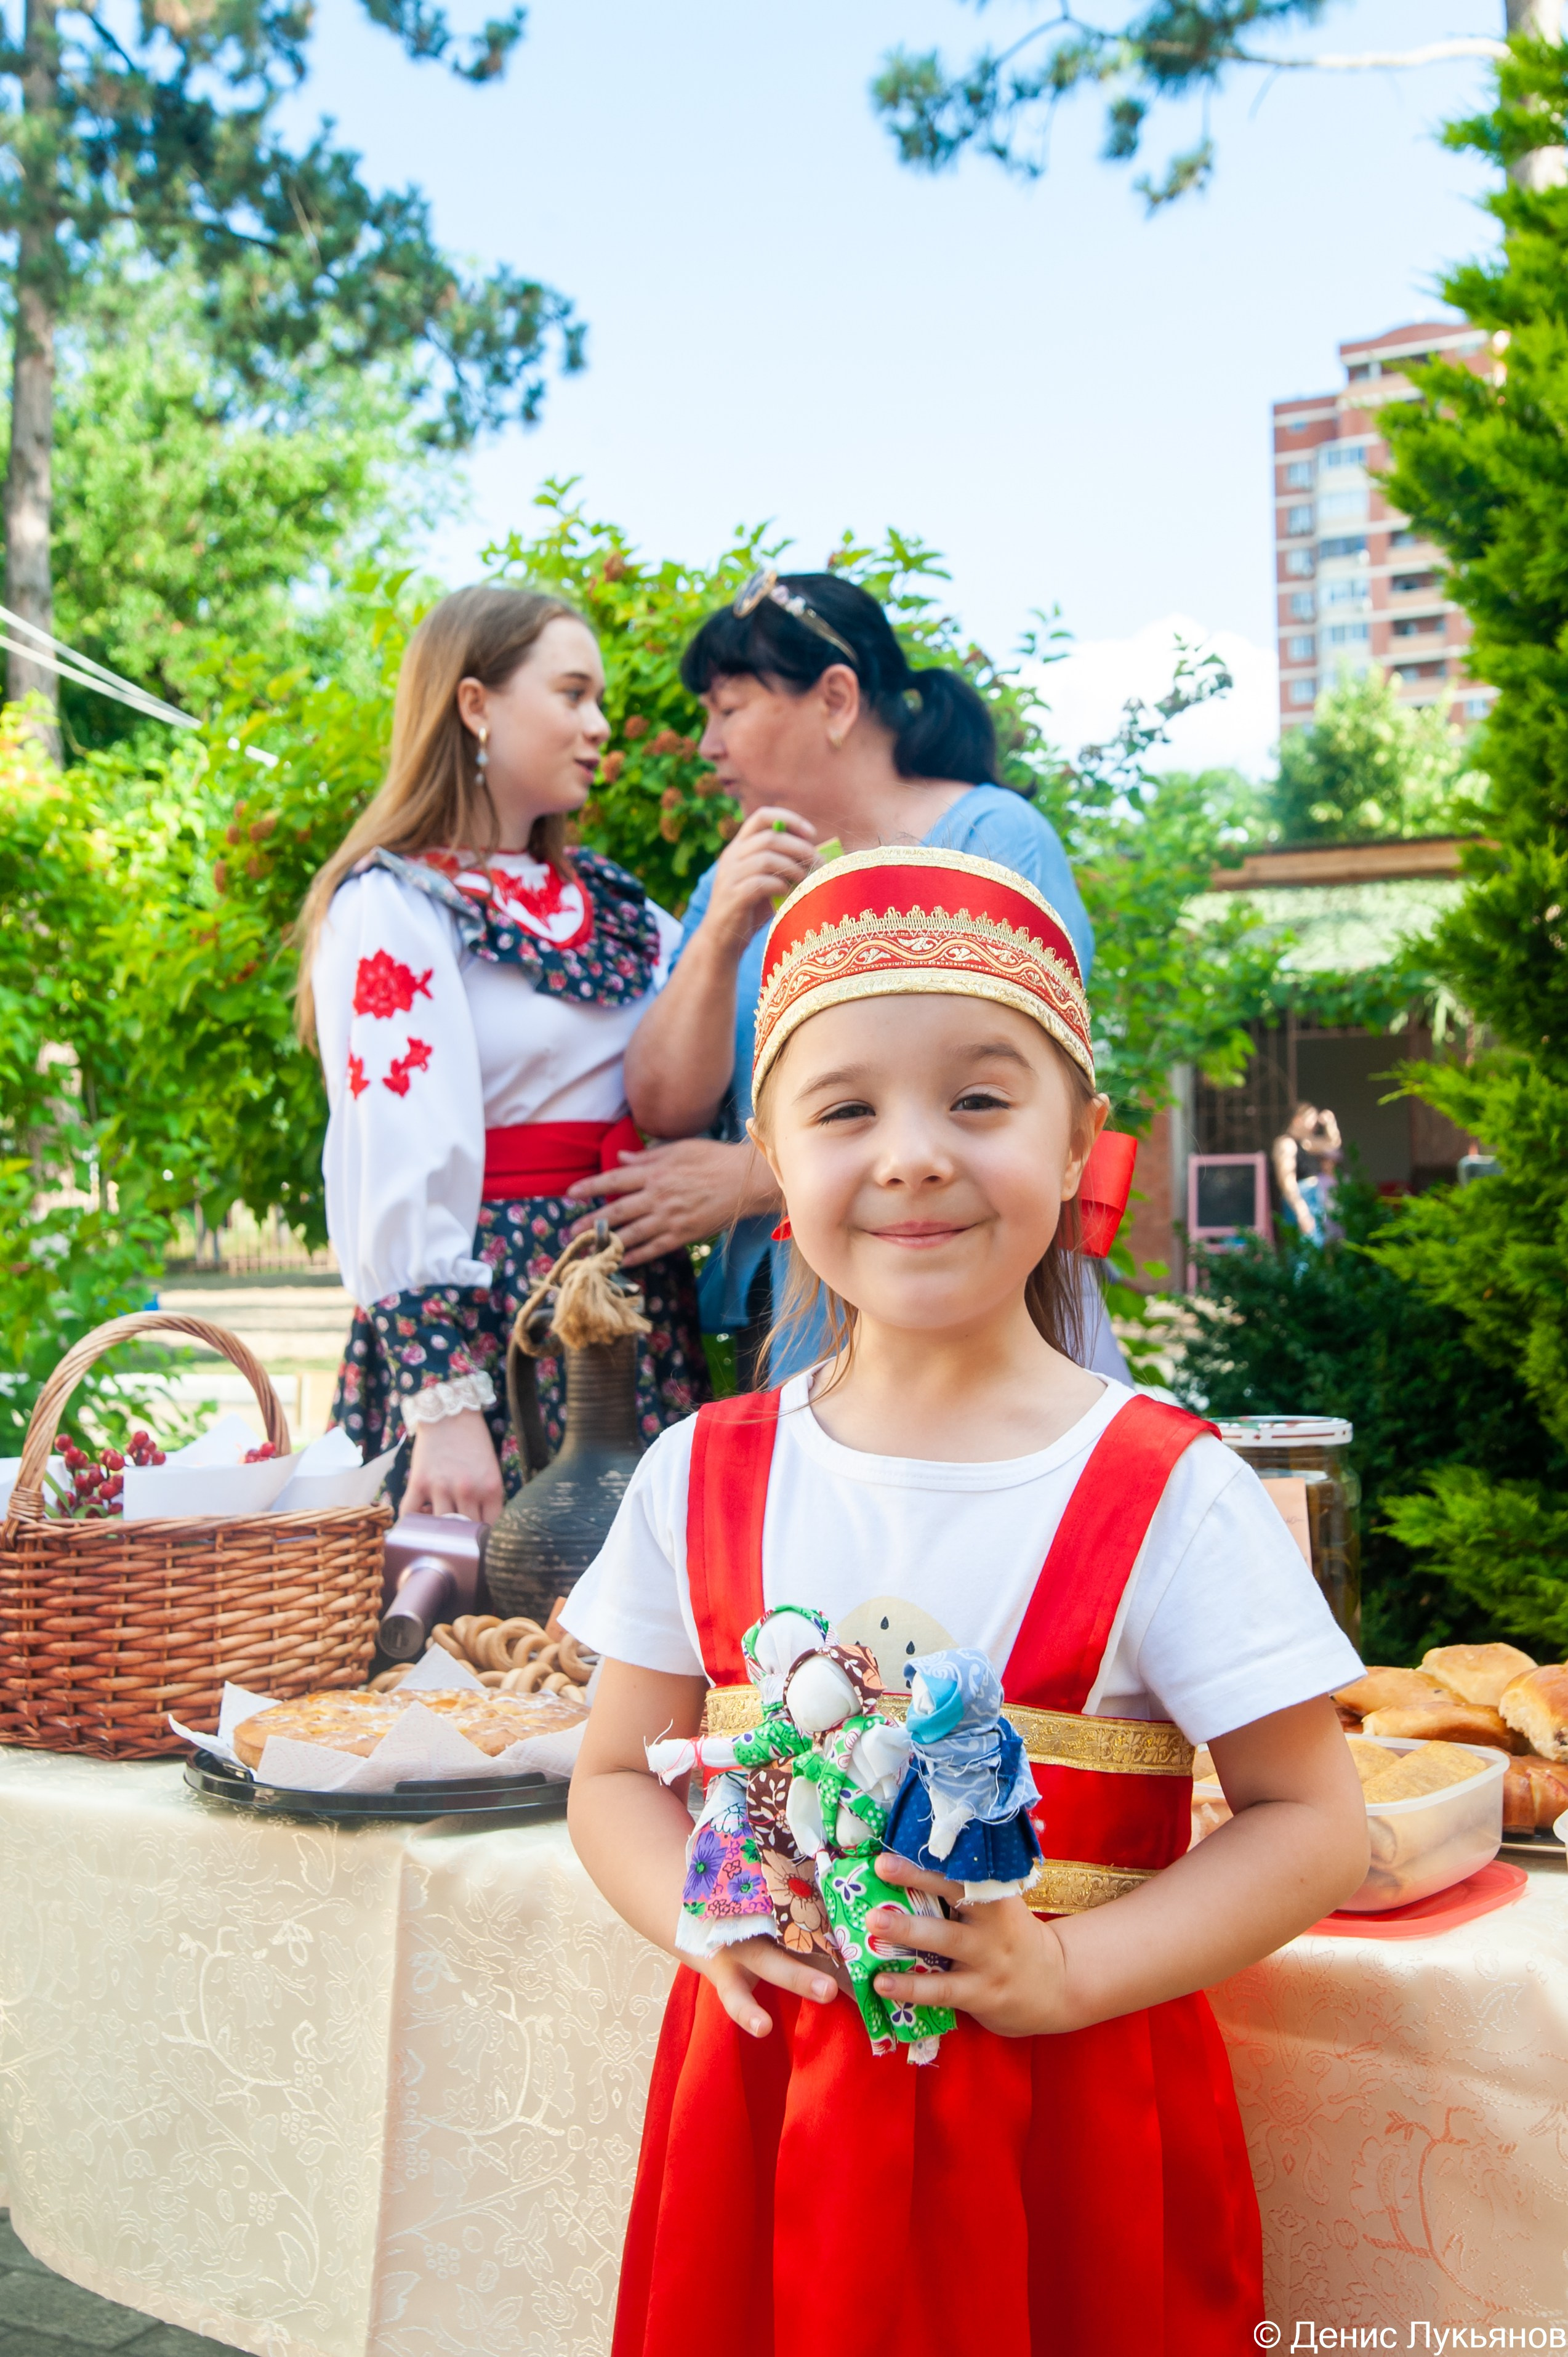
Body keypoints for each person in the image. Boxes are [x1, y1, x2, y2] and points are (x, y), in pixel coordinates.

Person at [566, 847, 1369, 2357]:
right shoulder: (700, 1469)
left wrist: (1059, 1969)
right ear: (773, 1157)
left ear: (1077, 1144)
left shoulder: (1164, 1485)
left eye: (980, 1099)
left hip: (1069, 2127)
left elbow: (1306, 1816)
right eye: (846, 1106)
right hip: (768, 2124)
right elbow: (613, 1772)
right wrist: (704, 1912)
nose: (914, 1152)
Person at [563, 567, 1125, 1383]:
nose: (706, 745)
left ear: (833, 699)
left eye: (727, 710)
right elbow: (663, 1103)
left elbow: (1018, 1092)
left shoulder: (991, 839)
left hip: (967, 1312)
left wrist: (754, 1178)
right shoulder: (736, 876)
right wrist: (722, 925)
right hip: (793, 1325)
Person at [296, 584, 707, 1523]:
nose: (599, 725)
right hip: (488, 1320)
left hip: (628, 1298)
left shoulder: (617, 907)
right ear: (475, 704)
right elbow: (395, 1148)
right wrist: (443, 1403)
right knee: (483, 1637)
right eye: (572, 694)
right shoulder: (394, 904)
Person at [1271, 1100, 1343, 1244]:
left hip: (1314, 1201)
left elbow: (1333, 1144)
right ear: (1298, 1120)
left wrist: (1330, 1123)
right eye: (1312, 1121)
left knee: (1316, 1249)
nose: (1315, 1127)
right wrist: (1301, 1211)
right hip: (1301, 1201)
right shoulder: (1286, 1144)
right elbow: (1286, 1181)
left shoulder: (1305, 1144)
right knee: (1305, 1253)